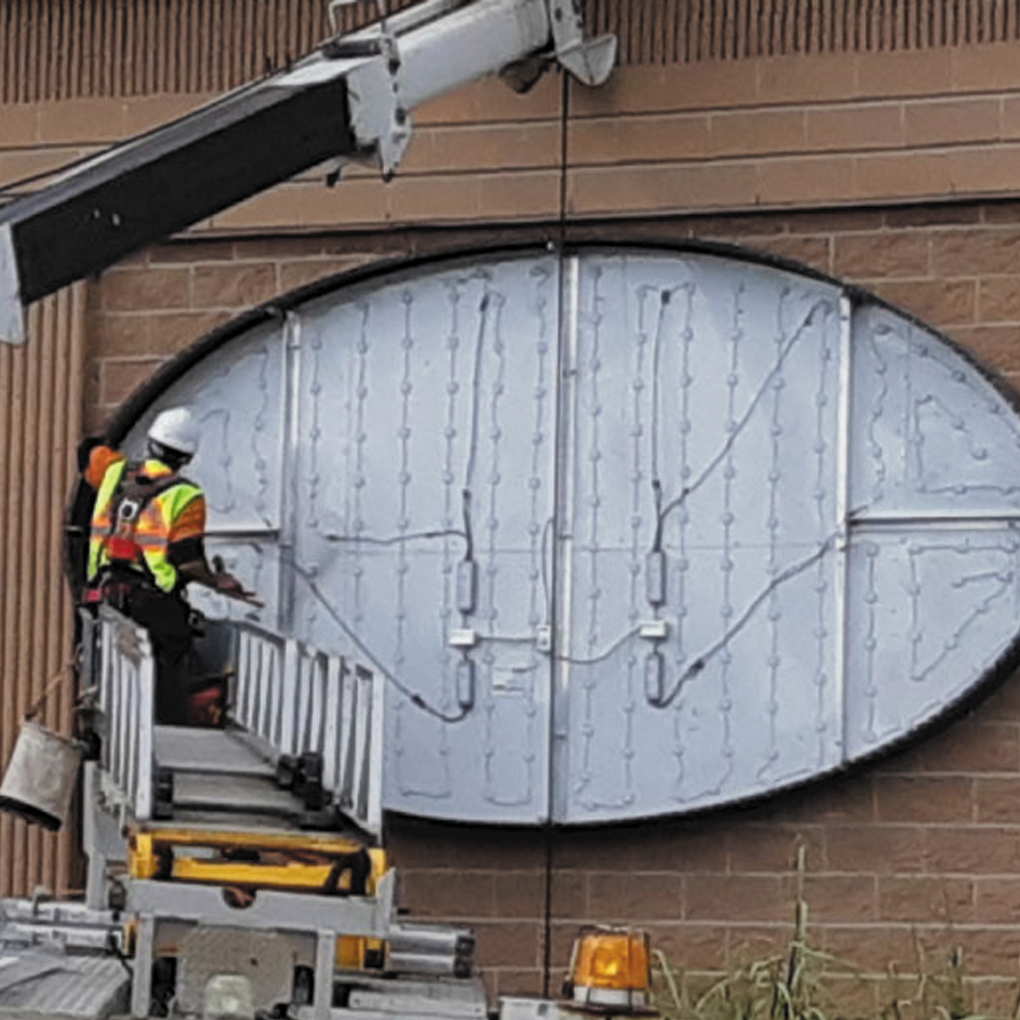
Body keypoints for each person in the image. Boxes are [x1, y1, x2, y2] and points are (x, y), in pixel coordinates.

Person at [81, 406, 254, 725]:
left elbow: (90, 455)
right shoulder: (185, 495)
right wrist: (218, 581)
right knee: (170, 660)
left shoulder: (113, 472)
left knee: (110, 664)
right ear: (187, 458)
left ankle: (113, 722)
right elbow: (186, 560)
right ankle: (163, 729)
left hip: (103, 594)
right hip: (152, 605)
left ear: (150, 441)